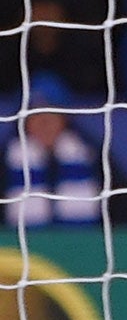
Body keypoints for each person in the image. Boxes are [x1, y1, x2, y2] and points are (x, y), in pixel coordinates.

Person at [1, 87, 102, 228]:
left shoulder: (92, 155)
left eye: (52, 115)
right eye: (36, 115)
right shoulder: (6, 160)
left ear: (64, 119)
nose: (44, 123)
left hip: (83, 244)